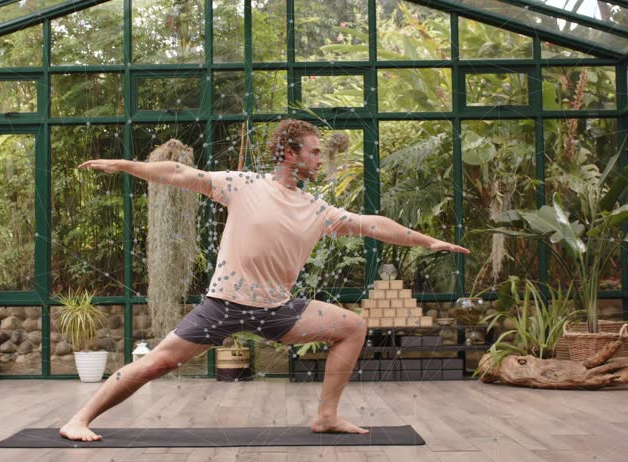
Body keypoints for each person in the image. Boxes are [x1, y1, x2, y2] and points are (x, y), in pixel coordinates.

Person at [59, 119, 470, 441]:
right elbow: (182, 172)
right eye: (311, 151)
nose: (317, 158)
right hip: (223, 305)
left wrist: (428, 240)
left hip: (278, 310)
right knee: (158, 363)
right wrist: (126, 165)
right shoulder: (244, 185)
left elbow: (372, 224)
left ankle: (326, 417)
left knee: (352, 326)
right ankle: (79, 418)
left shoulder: (318, 210)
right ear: (290, 153)